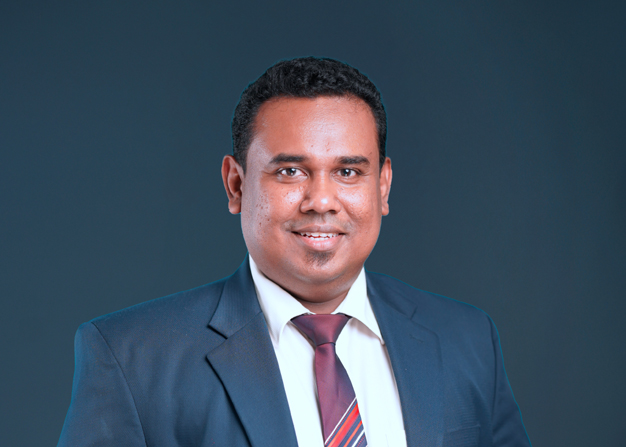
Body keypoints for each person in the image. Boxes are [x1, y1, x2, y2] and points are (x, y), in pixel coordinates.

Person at [57, 57, 531, 447]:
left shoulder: (467, 339)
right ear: (236, 184)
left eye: (348, 172)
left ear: (383, 186)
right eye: (290, 172)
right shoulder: (132, 358)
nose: (321, 201)